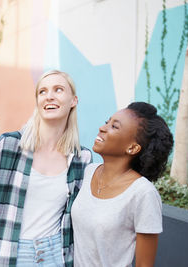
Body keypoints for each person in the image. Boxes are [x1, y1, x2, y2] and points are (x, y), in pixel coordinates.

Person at [0, 70, 92, 266]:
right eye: (42, 91)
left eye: (58, 89)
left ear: (73, 100)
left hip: (56, 255)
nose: (49, 96)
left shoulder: (81, 158)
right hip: (11, 254)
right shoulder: (8, 146)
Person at [71, 102, 173, 267]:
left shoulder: (143, 193)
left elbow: (144, 265)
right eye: (107, 121)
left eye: (114, 127)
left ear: (132, 148)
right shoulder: (89, 171)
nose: (102, 128)